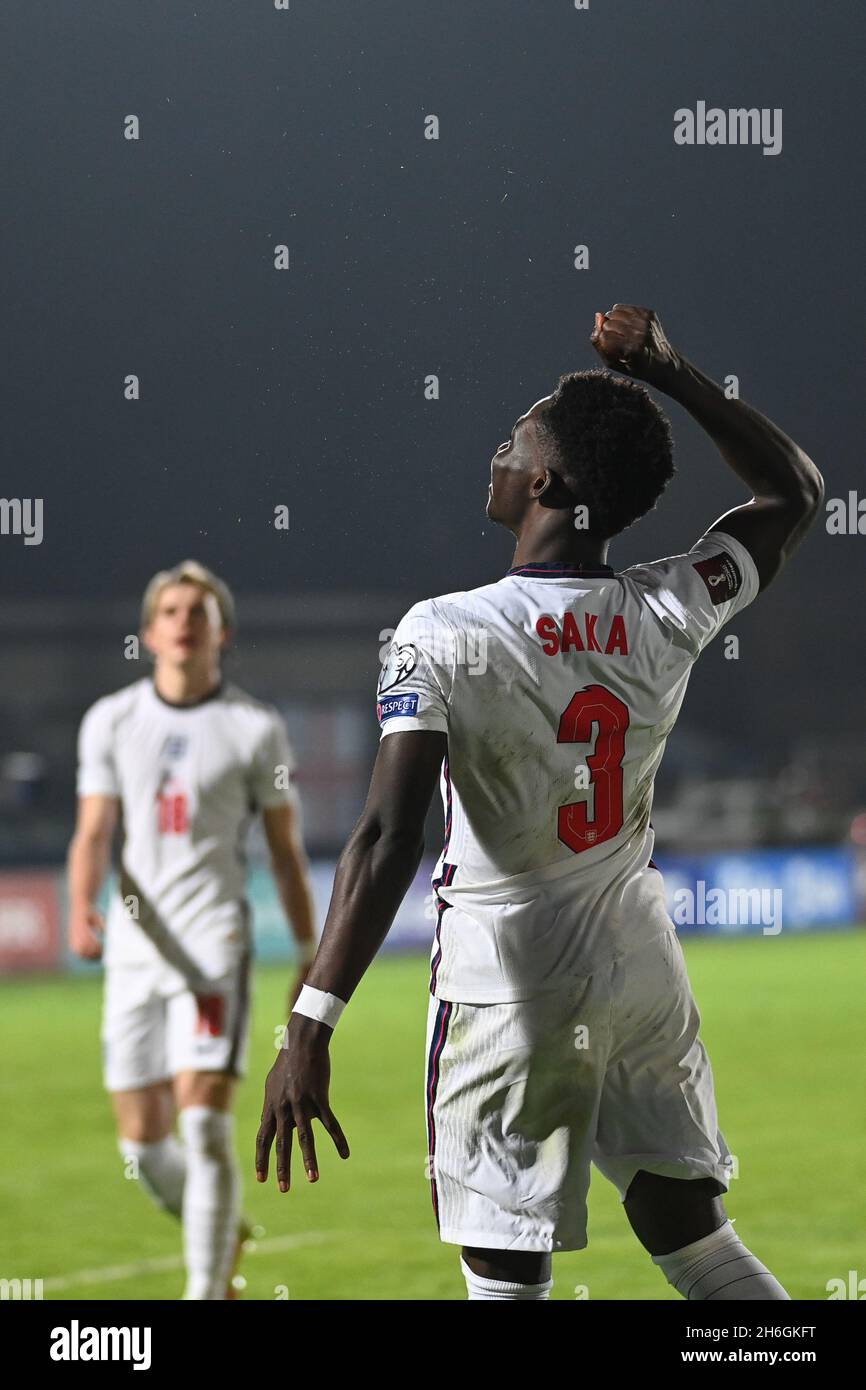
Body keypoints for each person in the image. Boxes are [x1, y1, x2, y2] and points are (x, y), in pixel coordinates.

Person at [256, 305, 823, 1301]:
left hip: (506, 988)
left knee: (506, 1279)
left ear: (546, 484)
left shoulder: (441, 631)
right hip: (638, 973)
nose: (496, 451)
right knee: (694, 1242)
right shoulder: (671, 604)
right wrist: (669, 368)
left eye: (514, 440)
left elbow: (389, 835)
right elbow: (793, 490)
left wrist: (308, 1025)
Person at [68, 560, 317, 1300]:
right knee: (143, 1149)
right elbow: (92, 833)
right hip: (138, 954)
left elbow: (284, 850)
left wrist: (307, 953)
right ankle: (223, 1227)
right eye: (170, 610)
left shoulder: (252, 728)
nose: (184, 621)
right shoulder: (111, 721)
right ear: (149, 634)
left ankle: (208, 1290)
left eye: (198, 611)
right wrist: (83, 906)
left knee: (205, 1127)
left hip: (213, 950)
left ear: (221, 632)